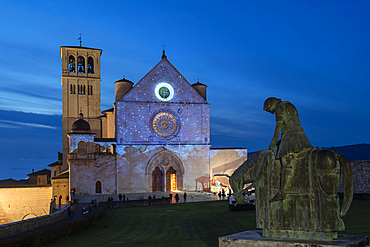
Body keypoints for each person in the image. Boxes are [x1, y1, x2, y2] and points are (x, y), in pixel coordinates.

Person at [263, 97, 313, 201]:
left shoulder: (279, 108)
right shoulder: (289, 105)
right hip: (298, 135)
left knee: (286, 160)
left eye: (269, 110)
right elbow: (290, 124)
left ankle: (282, 192)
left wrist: (273, 141)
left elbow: (279, 127)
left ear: (271, 105)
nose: (271, 113)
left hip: (291, 137)